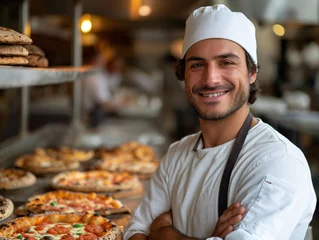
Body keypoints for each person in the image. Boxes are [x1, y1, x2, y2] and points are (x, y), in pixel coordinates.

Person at [124, 4, 316, 240]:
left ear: (251, 72)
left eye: (226, 62)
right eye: (197, 64)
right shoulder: (177, 155)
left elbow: (150, 230)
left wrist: (163, 231)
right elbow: (136, 232)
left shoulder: (278, 162)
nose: (211, 79)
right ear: (183, 74)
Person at [82, 48, 124, 128]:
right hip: (92, 119)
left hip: (88, 117)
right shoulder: (94, 77)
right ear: (94, 59)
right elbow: (105, 105)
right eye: (101, 58)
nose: (104, 60)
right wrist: (122, 104)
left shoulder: (91, 74)